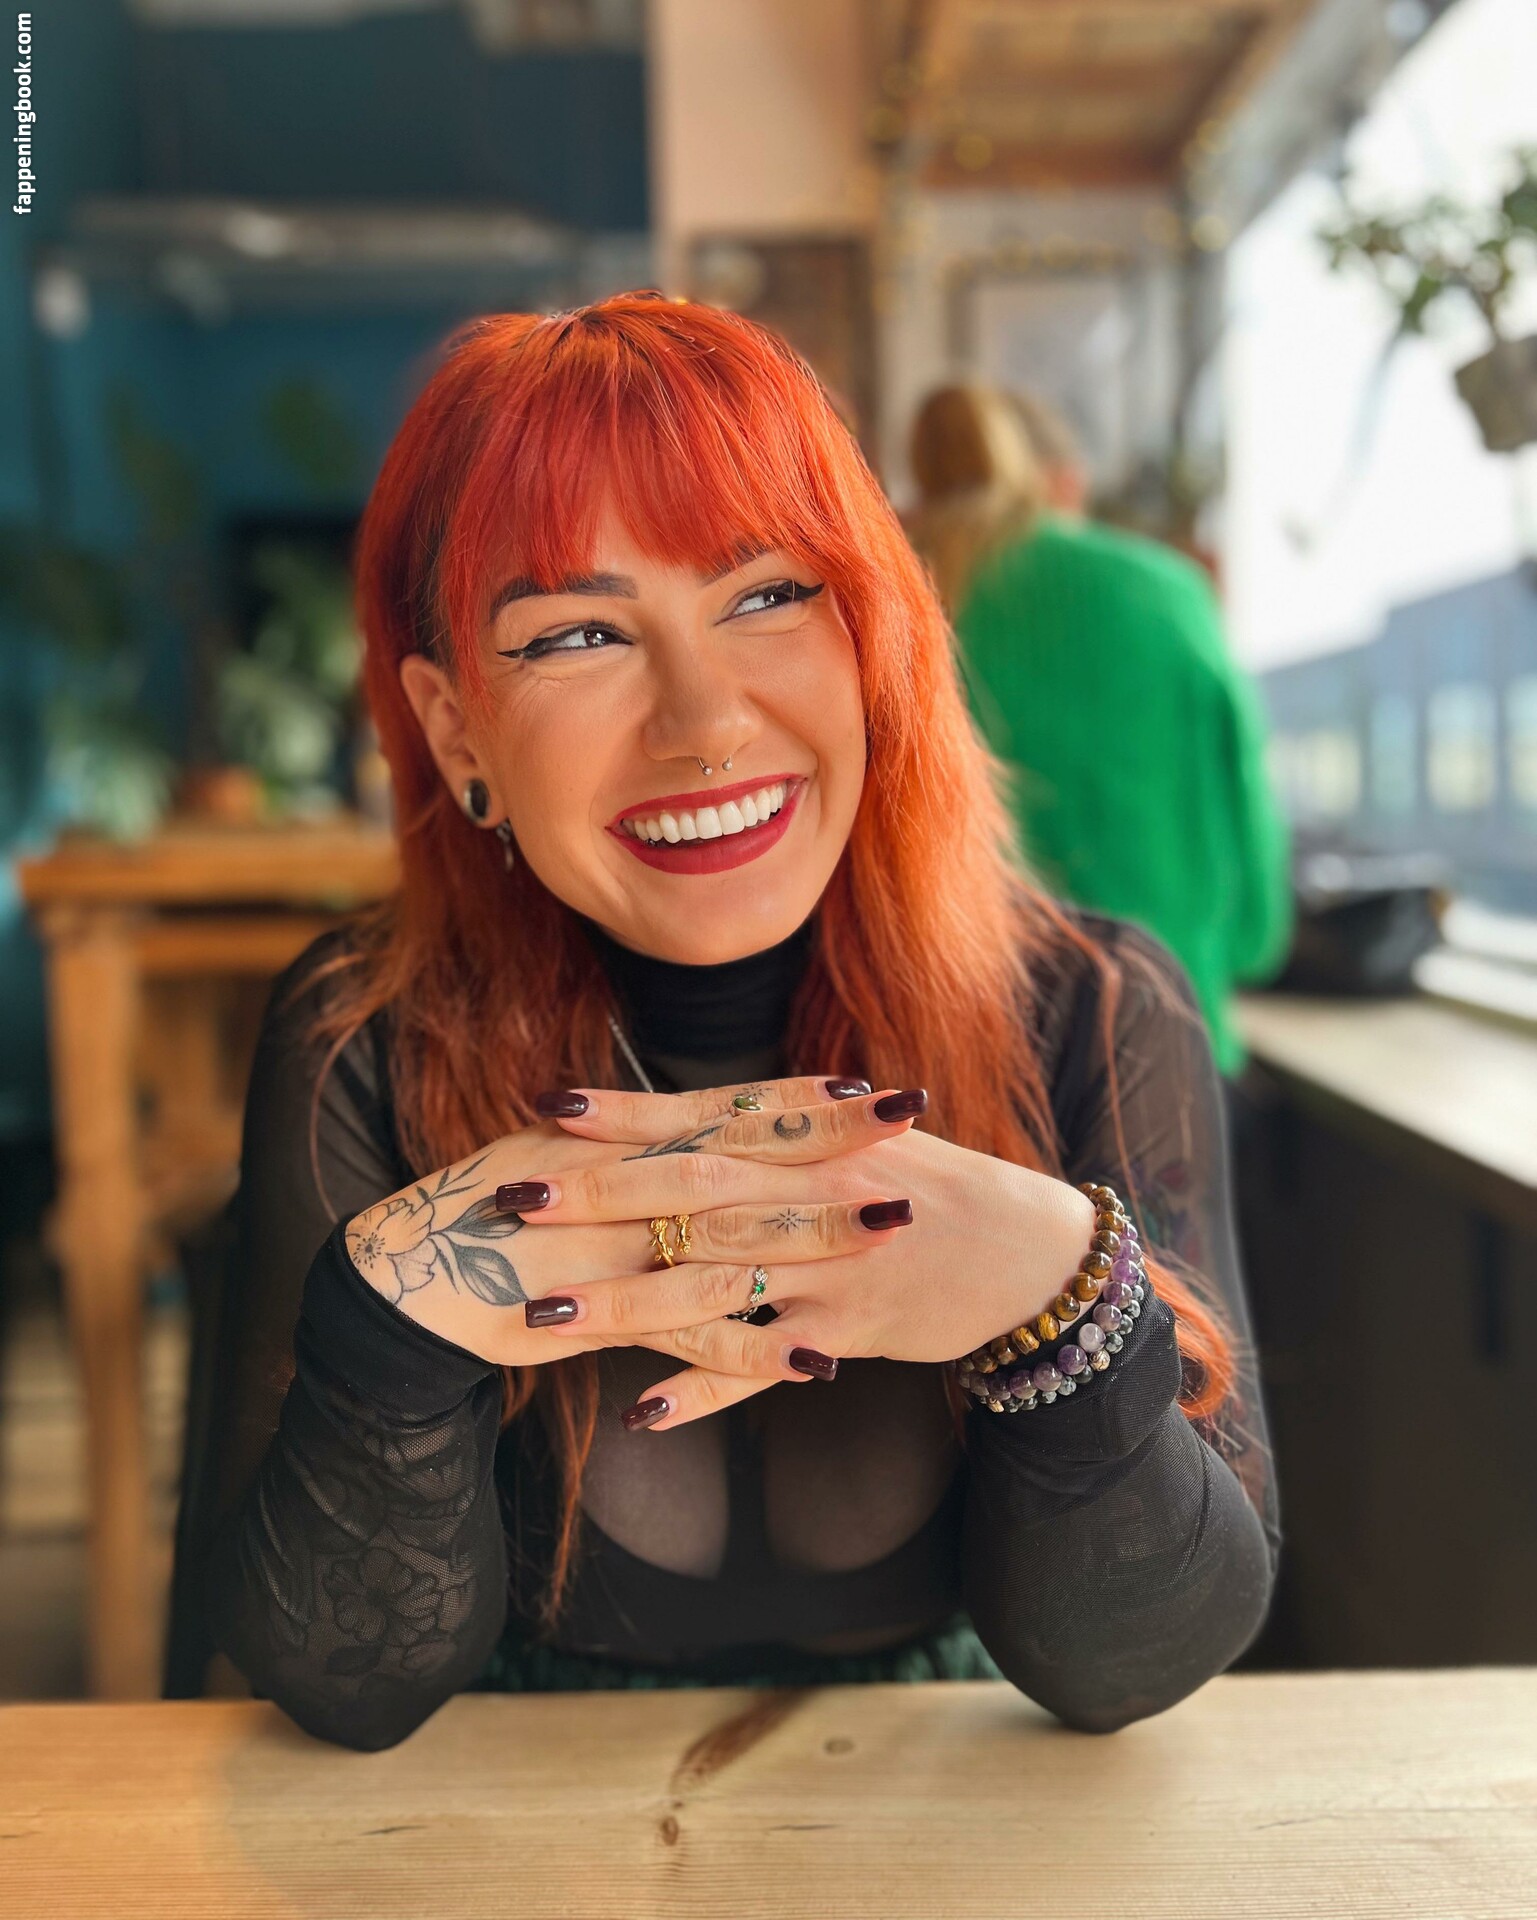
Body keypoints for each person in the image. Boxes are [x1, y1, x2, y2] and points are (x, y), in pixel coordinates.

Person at [199, 298, 1276, 1752]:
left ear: (869, 633)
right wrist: (388, 1330)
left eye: (766, 595)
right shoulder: (363, 1036)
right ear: (457, 736)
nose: (703, 722)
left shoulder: (1097, 1006)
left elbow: (1144, 1665)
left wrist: (1064, 1298)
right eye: (581, 633)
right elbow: (337, 1682)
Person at [907, 384, 1291, 1075]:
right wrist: (1236, 948)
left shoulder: (900, 597)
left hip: (960, 1054)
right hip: (1168, 1037)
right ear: (1064, 482)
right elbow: (1248, 839)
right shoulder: (1170, 592)